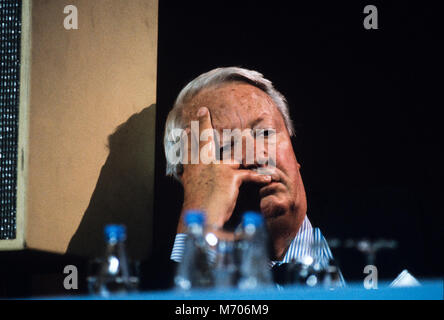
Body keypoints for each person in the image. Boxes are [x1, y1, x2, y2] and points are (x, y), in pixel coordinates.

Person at [164, 67, 342, 282]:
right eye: (226, 145)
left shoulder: (387, 248)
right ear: (192, 181)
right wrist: (196, 224)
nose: (255, 157)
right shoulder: (141, 281)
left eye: (265, 133)